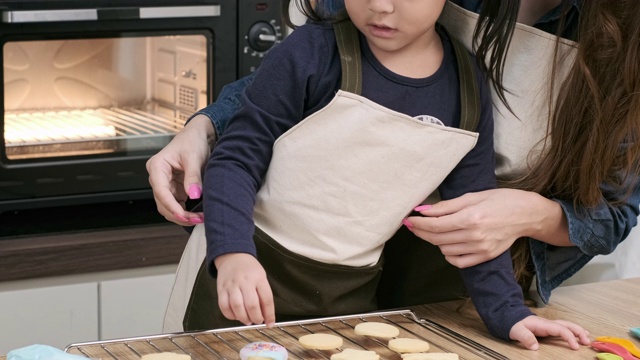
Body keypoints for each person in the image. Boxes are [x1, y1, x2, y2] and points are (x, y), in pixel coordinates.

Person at [146, 0, 640, 307]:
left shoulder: (620, 40)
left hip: (456, 282)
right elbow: (281, 91)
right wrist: (207, 125)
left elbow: (614, 213)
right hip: (283, 255)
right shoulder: (338, 35)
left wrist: (532, 220)